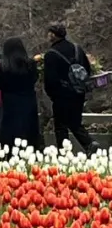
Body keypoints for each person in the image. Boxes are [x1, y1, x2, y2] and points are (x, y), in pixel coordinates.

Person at [43, 22, 92, 153]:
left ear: (53, 35)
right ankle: (90, 145)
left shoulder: (51, 54)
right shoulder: (77, 49)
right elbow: (87, 69)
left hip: (61, 96)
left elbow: (50, 80)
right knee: (75, 123)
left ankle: (65, 154)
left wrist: (53, 95)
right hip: (79, 93)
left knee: (61, 127)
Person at [0, 36, 41, 148]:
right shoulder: (30, 64)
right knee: (28, 130)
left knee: (10, 133)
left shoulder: (3, 66)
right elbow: (35, 78)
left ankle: (10, 155)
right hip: (28, 101)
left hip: (10, 103)